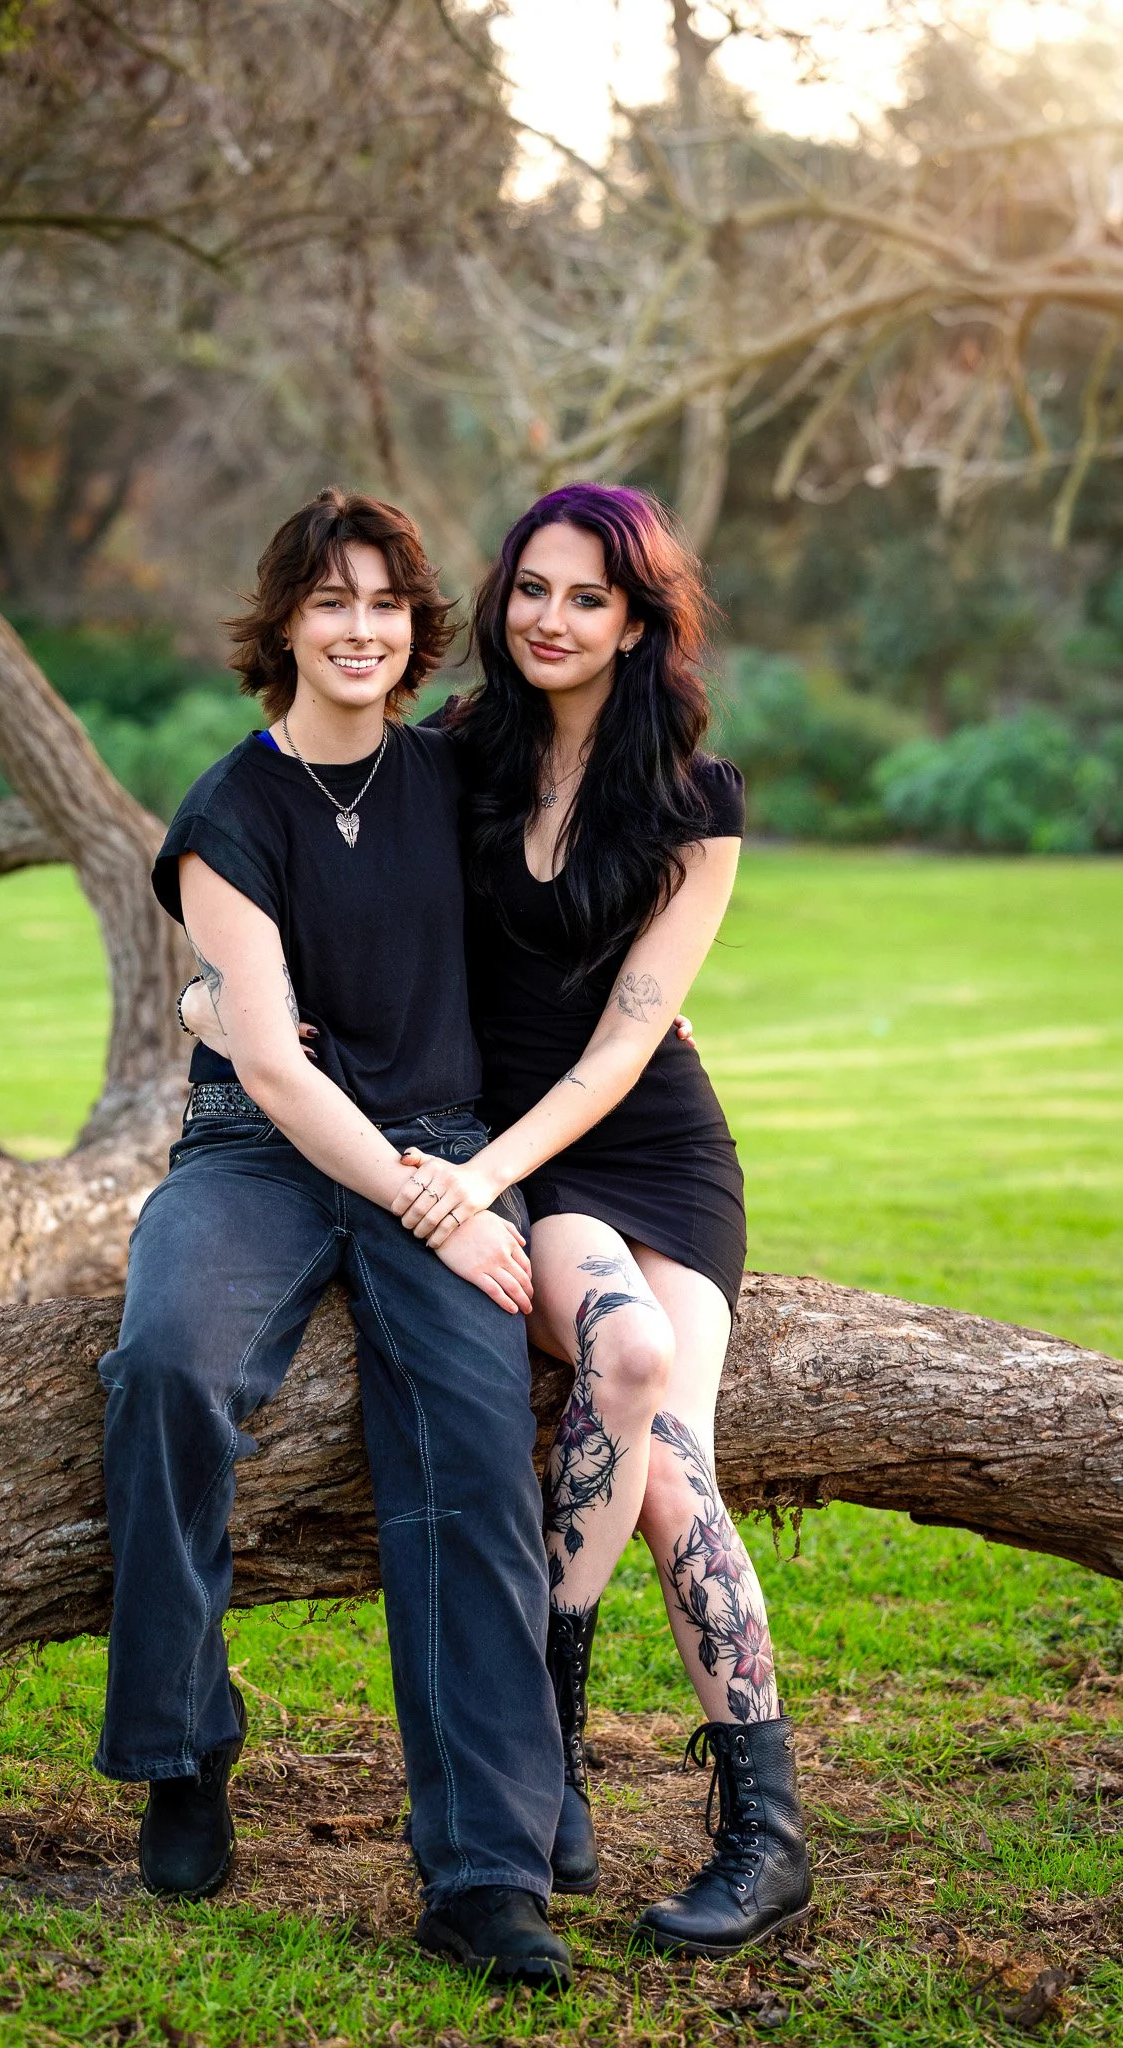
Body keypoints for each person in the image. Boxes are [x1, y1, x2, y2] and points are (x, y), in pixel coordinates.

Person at [95, 487, 573, 1991]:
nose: (361, 630)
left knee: (475, 1446)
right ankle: (183, 1744)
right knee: (169, 1364)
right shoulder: (229, 813)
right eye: (331, 603)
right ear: (285, 624)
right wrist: (435, 1208)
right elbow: (273, 1064)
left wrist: (637, 1007)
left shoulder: (460, 772)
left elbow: (576, 871)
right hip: (262, 1147)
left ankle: (486, 1871)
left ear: (415, 627)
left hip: (440, 1133)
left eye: (384, 604)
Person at [392, 484, 812, 1959]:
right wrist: (224, 998)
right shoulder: (454, 756)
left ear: (637, 622)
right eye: (531, 589)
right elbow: (338, 883)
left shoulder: (698, 800)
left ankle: (755, 1835)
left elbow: (631, 1040)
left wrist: (480, 1175)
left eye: (585, 597)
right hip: (543, 1170)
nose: (549, 618)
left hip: (653, 1146)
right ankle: (563, 1753)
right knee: (627, 1366)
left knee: (677, 1469)